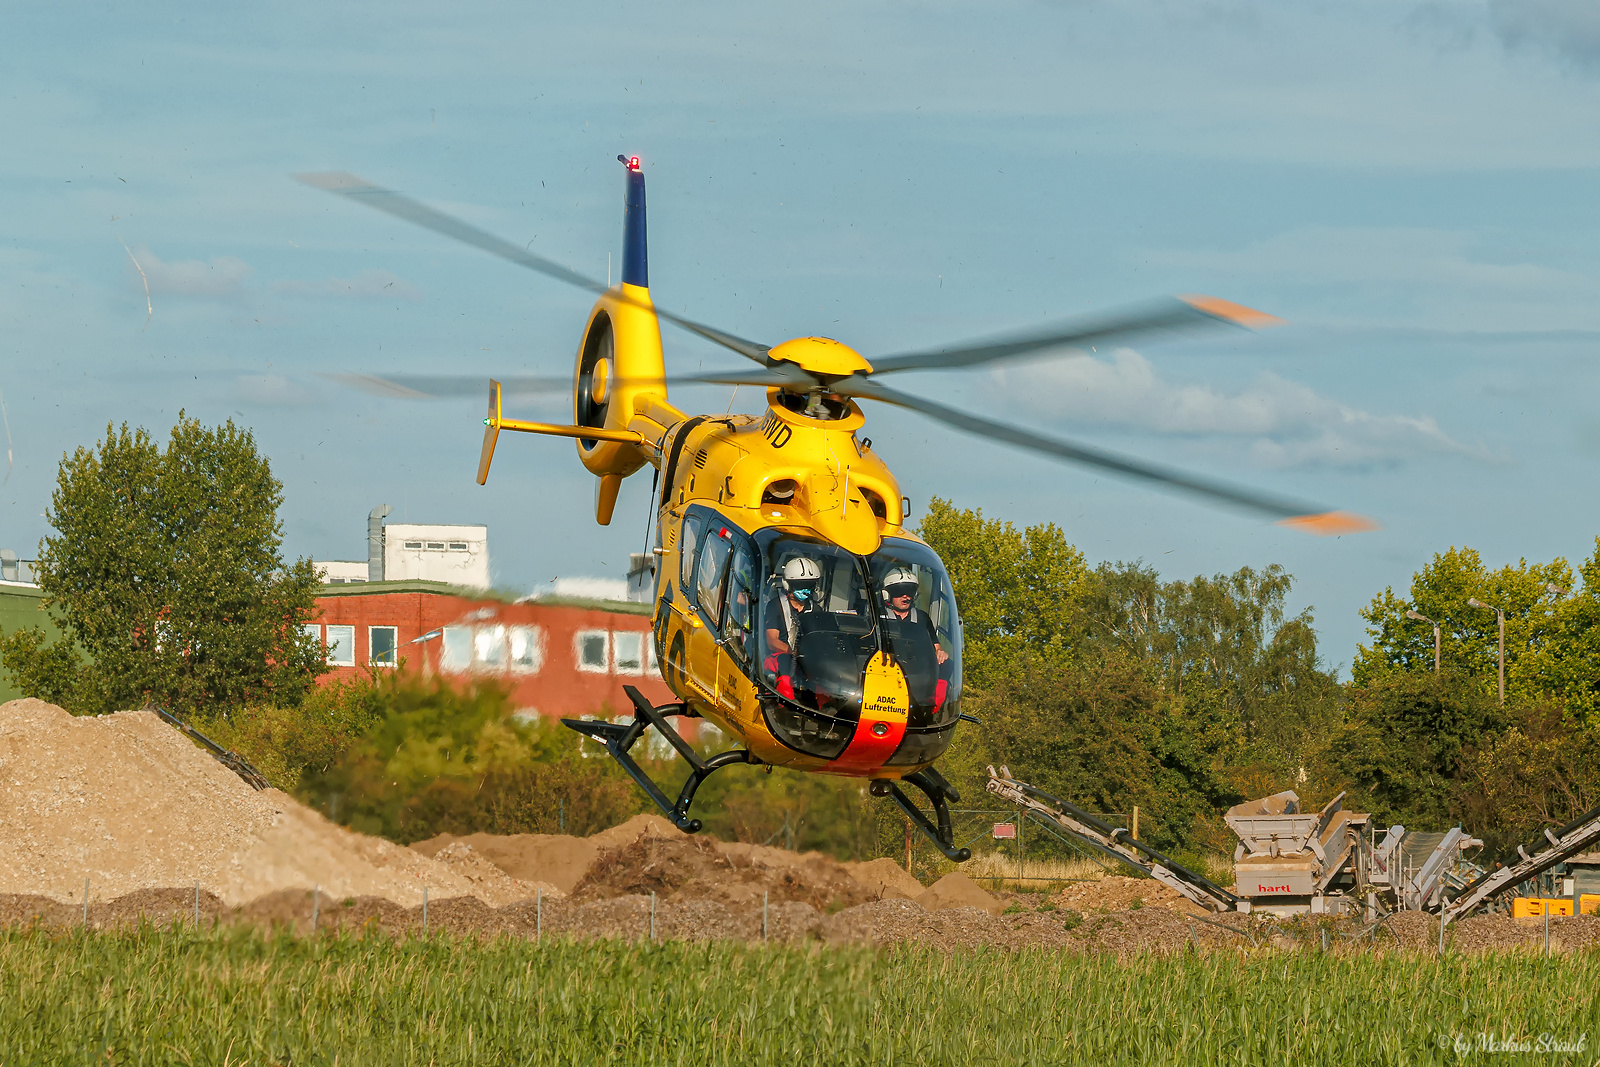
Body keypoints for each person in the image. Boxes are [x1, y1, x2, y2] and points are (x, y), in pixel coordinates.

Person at [878, 565, 951, 712]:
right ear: (887, 595)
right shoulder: (878, 615)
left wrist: (941, 653)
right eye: (899, 592)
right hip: (884, 665)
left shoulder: (922, 618)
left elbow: (936, 647)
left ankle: (930, 710)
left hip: (916, 667)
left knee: (947, 664)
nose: (906, 597)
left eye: (910, 592)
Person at [764, 556, 822, 700]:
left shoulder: (816, 611)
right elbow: (772, 641)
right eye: (800, 586)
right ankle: (786, 703)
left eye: (809, 586)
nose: (805, 590)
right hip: (779, 657)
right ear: (788, 585)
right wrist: (794, 653)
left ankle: (826, 706)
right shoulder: (775, 606)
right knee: (785, 661)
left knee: (822, 669)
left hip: (806, 659)